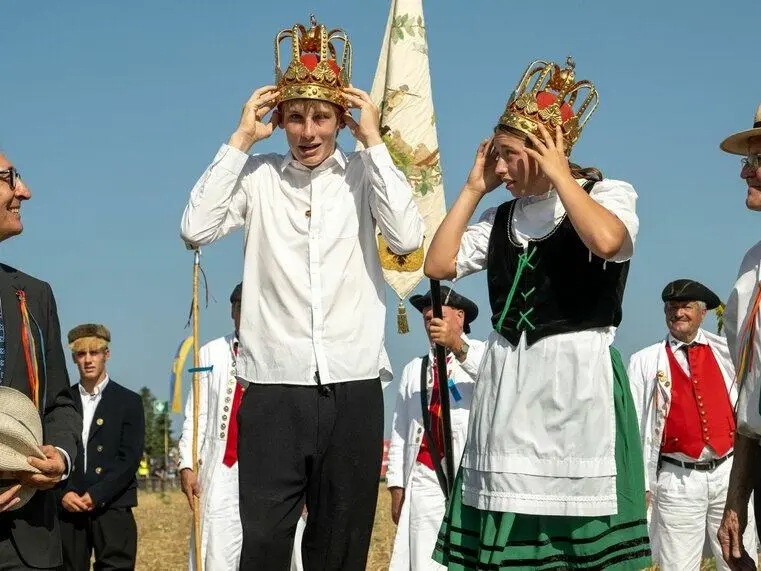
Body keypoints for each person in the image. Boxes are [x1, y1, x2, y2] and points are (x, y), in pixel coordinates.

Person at [179, 17, 424, 570]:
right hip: (272, 389)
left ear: (341, 118)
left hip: (353, 385)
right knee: (263, 543)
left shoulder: (364, 174)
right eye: (295, 117)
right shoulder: (259, 177)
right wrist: (240, 139)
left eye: (320, 116)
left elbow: (408, 237)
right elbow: (195, 227)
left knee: (339, 548)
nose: (308, 131)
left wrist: (376, 142)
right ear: (279, 119)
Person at [424, 57, 651, 570]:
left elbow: (609, 241)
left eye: (509, 156)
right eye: (497, 156)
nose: (500, 167)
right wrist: (471, 190)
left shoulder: (608, 196)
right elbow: (436, 264)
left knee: (575, 538)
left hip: (577, 381)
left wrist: (559, 174)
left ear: (547, 152)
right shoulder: (499, 216)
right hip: (512, 386)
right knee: (510, 528)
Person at [628, 279, 757, 569]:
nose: (678, 314)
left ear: (702, 313)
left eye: (685, 307)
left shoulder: (727, 351)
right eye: (672, 308)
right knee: (678, 564)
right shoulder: (644, 361)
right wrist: (642, 485)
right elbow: (636, 425)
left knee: (737, 557)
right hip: (679, 479)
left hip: (728, 474)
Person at [178, 283, 308, 571]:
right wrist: (186, 463)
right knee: (216, 554)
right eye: (239, 307)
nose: (244, 314)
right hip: (222, 469)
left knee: (271, 549)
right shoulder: (210, 352)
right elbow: (195, 414)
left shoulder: (283, 353)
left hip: (272, 473)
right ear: (232, 311)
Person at [0, 152, 81, 570]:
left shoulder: (34, 295)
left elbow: (59, 403)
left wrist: (61, 457)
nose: (24, 191)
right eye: (8, 178)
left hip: (27, 540)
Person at [387, 287, 484, 571]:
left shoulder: (483, 352)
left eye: (439, 311)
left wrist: (457, 347)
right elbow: (400, 432)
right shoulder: (413, 370)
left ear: (460, 316)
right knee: (424, 557)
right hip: (426, 476)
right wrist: (396, 486)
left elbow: (492, 379)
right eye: (427, 315)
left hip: (470, 476)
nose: (430, 317)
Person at [57, 324, 144, 571]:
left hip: (113, 506)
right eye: (81, 354)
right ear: (74, 358)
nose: (88, 360)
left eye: (94, 352)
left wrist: (98, 494)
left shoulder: (129, 402)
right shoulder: (61, 402)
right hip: (69, 507)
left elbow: (130, 458)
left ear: (107, 354)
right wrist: (62, 493)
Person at [718, 103, 761, 570]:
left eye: (757, 160)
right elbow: (750, 395)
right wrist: (736, 498)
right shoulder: (752, 263)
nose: (745, 172)